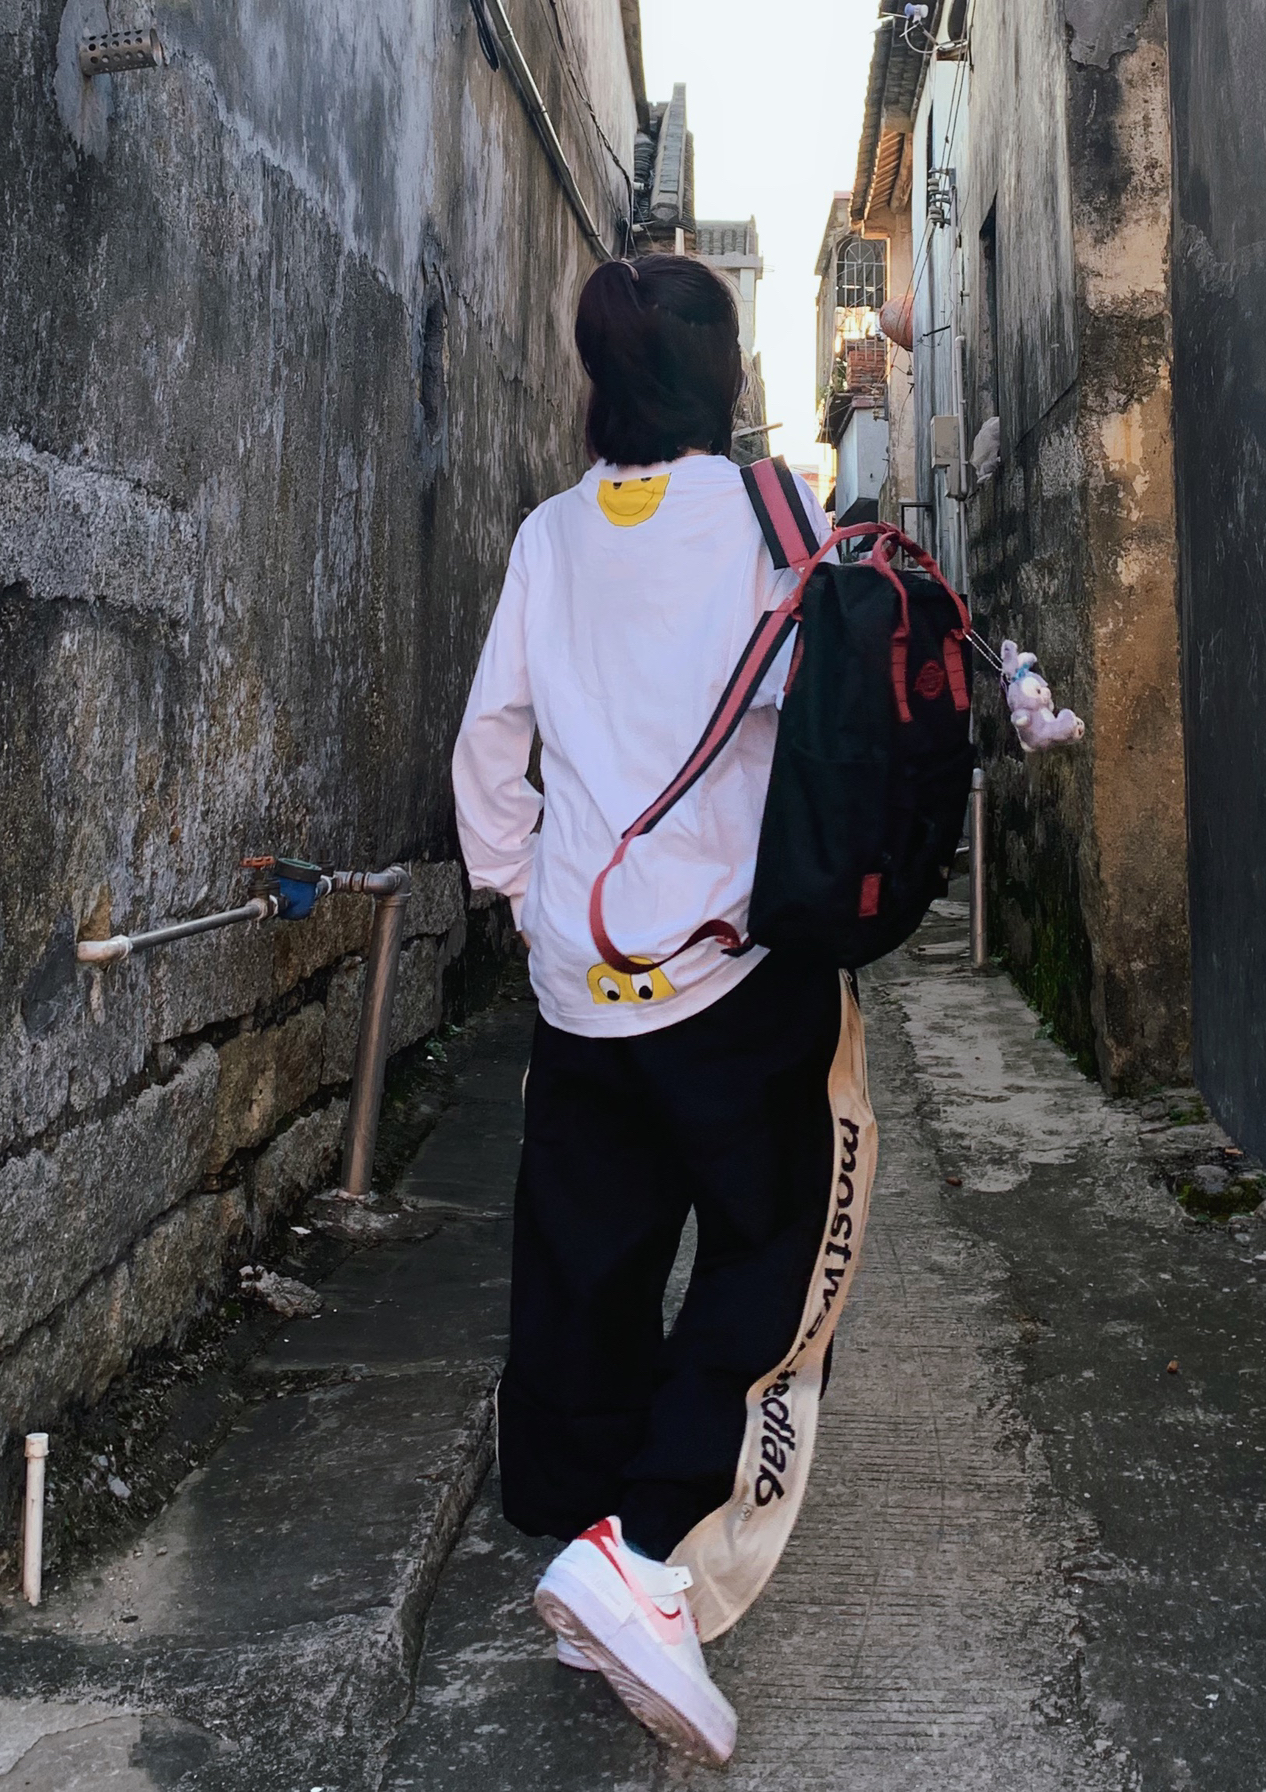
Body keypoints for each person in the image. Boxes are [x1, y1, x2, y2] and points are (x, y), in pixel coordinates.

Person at [452, 254, 875, 1766]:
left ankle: (579, 1543)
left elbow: (490, 741)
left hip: (581, 977)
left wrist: (524, 893)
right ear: (721, 374)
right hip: (731, 969)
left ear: (602, 382)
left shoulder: (550, 535)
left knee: (590, 1260)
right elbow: (828, 711)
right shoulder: (771, 517)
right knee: (781, 1253)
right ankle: (642, 1555)